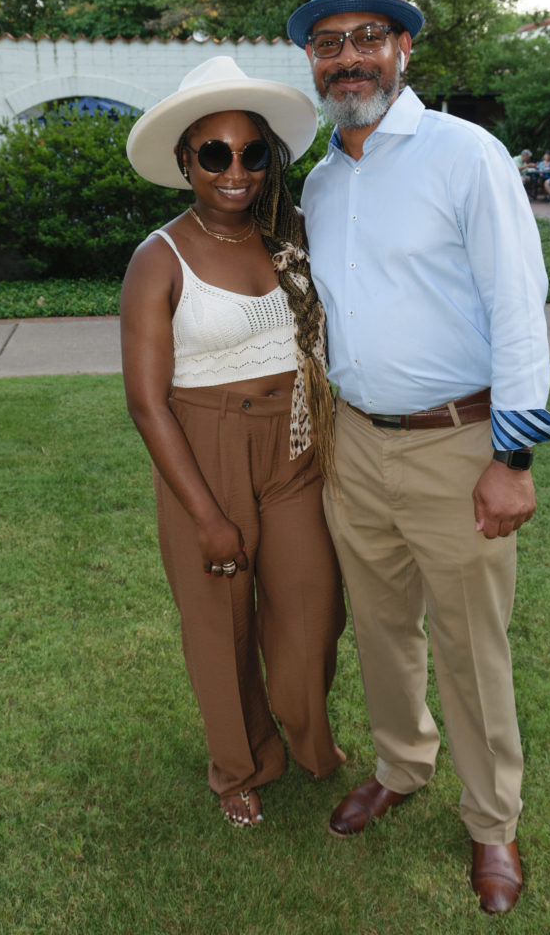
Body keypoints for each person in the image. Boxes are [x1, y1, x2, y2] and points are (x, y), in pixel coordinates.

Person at [287, 0, 550, 915]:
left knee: (469, 646)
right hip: (354, 443)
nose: (347, 59)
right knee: (384, 631)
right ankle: (402, 766)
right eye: (328, 44)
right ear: (311, 63)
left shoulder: (464, 153)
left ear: (402, 47)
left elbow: (517, 310)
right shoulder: (319, 181)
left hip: (458, 442)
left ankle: (493, 822)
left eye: (366, 38)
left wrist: (511, 458)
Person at [121, 56, 346, 828]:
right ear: (186, 161)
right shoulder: (159, 258)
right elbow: (146, 404)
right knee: (221, 624)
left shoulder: (290, 240)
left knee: (312, 608)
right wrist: (207, 515)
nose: (235, 170)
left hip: (293, 446)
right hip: (204, 450)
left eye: (253, 152)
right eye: (214, 154)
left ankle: (312, 740)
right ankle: (239, 765)